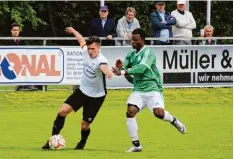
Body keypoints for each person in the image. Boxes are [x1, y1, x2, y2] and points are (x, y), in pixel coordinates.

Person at [112, 28, 186, 152]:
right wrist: (119, 67)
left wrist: (123, 71)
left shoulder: (149, 52)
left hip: (152, 88)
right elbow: (124, 65)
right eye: (132, 40)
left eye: (135, 40)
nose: (133, 42)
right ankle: (136, 145)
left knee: (159, 114)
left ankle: (173, 120)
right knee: (130, 112)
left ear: (142, 39)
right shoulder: (130, 54)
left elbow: (141, 68)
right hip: (138, 90)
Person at [42, 27, 113, 150]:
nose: (90, 51)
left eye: (93, 49)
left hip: (96, 97)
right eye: (89, 48)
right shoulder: (85, 51)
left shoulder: (101, 60)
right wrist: (73, 31)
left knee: (84, 125)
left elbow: (104, 67)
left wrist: (108, 72)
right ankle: (52, 140)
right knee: (62, 112)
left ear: (99, 48)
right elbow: (81, 40)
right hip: (82, 91)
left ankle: (82, 142)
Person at [2, 23, 40, 91]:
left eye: (17, 30)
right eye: (14, 30)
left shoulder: (22, 40)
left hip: (20, 60)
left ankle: (31, 84)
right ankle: (22, 85)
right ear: (11, 31)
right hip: (9, 61)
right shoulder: (6, 40)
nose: (16, 31)